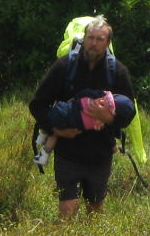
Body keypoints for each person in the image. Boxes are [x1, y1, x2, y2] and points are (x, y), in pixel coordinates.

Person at [29, 16, 137, 220]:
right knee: (67, 211)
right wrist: (57, 130)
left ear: (108, 43)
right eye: (90, 37)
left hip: (100, 153)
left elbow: (128, 113)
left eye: (100, 39)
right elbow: (38, 104)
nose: (94, 43)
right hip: (68, 151)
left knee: (94, 213)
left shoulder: (118, 72)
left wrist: (107, 117)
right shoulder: (64, 67)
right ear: (84, 38)